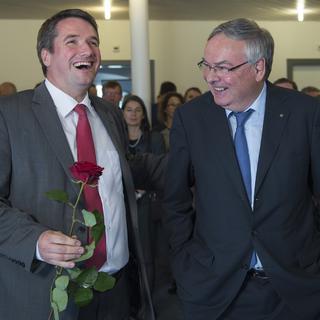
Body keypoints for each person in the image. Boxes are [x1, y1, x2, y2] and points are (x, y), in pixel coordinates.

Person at [0, 9, 164, 320]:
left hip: (115, 289)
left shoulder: (109, 114)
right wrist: (34, 240)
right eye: (72, 41)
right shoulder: (8, 116)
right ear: (46, 55)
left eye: (93, 42)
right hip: (44, 293)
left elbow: (126, 170)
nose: (87, 50)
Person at [163, 18, 320, 320]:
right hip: (214, 289)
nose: (210, 77)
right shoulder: (191, 118)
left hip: (294, 288)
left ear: (258, 68)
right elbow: (175, 201)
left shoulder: (306, 114)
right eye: (206, 65)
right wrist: (184, 264)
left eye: (223, 67)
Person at [122, 94, 165, 291]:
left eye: (137, 110)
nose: (133, 114)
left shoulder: (154, 138)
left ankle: (147, 304)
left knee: (146, 255)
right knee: (125, 253)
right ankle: (131, 302)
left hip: (146, 202)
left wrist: (142, 186)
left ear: (144, 115)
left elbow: (160, 170)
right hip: (121, 203)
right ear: (122, 113)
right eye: (129, 110)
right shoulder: (115, 137)